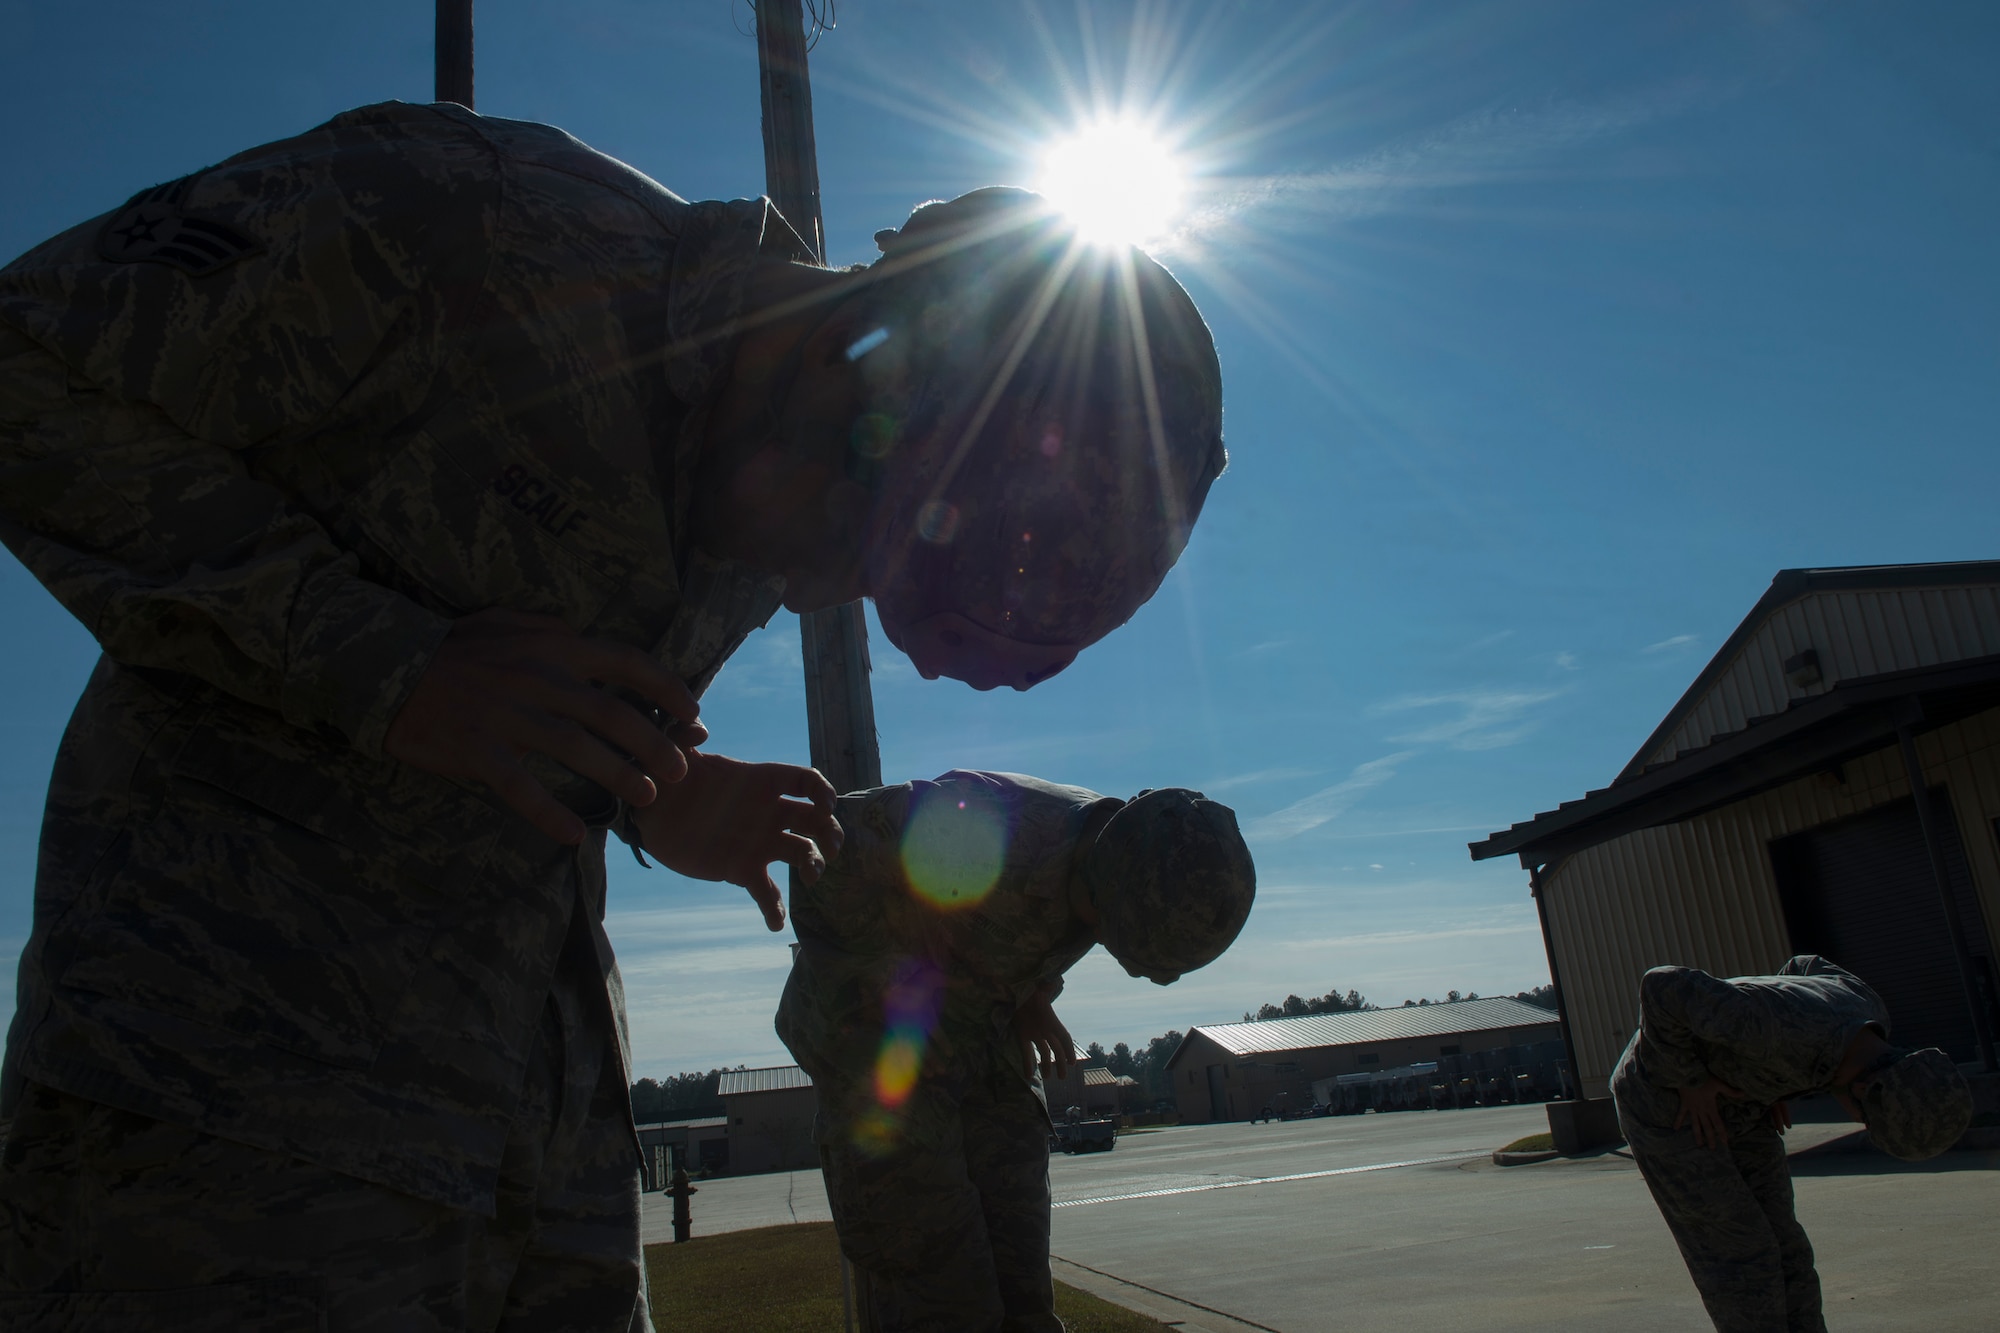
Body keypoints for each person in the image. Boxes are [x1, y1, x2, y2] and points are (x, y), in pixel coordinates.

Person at [0, 100, 1226, 1329]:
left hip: (546, 1164)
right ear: (862, 357)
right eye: (859, 548)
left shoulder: (783, 477)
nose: (811, 593)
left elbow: (526, 713)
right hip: (220, 1138)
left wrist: (660, 793)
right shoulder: (473, 221)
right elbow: (28, 364)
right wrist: (388, 665)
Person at [775, 770, 1255, 1333]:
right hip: (878, 1059)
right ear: (1097, 890)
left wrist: (1032, 995)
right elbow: (824, 847)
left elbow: (1036, 933)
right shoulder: (982, 826)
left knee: (1024, 1294)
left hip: (982, 1046)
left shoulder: (1131, 856)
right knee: (945, 1293)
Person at [1610, 955, 1973, 1333]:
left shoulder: (1867, 1014)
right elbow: (1662, 985)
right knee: (1741, 1255)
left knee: (1789, 1251)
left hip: (1747, 1102)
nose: (1855, 1119)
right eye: (1864, 1117)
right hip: (1669, 1106)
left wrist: (1778, 1075)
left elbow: (1804, 964)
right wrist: (1690, 1079)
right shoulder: (1769, 1029)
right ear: (1864, 1089)